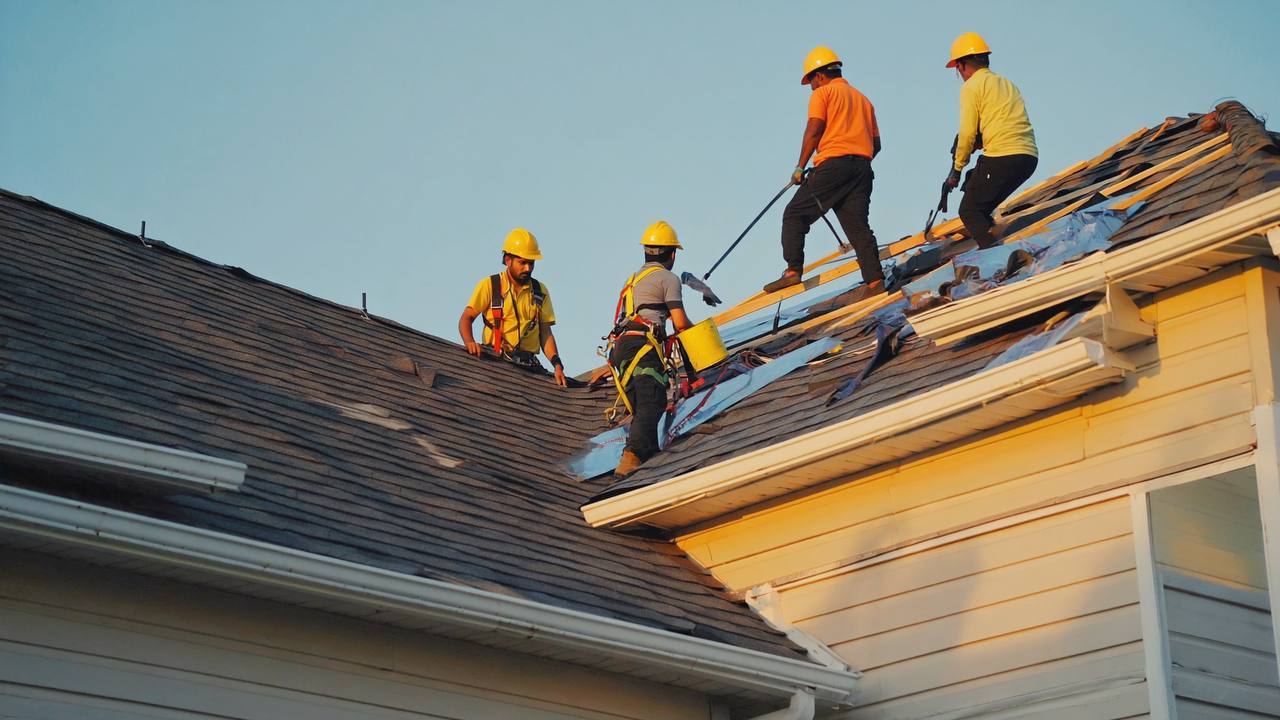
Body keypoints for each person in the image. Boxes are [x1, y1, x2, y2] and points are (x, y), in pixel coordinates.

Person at [764, 46, 883, 294]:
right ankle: (875, 282)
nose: (811, 87)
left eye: (811, 82)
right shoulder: (863, 99)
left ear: (819, 75)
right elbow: (877, 145)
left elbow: (815, 129)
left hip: (834, 166)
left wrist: (800, 166)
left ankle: (793, 271)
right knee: (858, 227)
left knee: (795, 214)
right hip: (862, 169)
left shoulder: (823, 94)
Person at [610, 221, 693, 478]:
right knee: (653, 400)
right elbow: (680, 324)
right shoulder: (669, 278)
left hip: (620, 348)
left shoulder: (633, 280)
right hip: (643, 347)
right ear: (673, 254)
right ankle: (631, 456)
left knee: (640, 406)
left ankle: (646, 454)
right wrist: (701, 334)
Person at [945, 32, 1039, 249]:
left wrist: (956, 170)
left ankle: (993, 255)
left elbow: (967, 133)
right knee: (976, 189)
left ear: (962, 64)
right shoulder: (1006, 83)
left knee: (968, 210)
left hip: (1003, 156)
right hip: (1028, 157)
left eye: (958, 69)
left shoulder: (971, 87)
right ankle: (990, 232)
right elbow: (1003, 121)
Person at [458, 228, 566, 386]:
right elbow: (466, 319)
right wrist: (470, 342)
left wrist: (557, 364)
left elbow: (545, 332)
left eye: (531, 263)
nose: (528, 268)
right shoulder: (491, 285)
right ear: (508, 260)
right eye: (523, 262)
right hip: (494, 363)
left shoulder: (540, 291)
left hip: (528, 368)